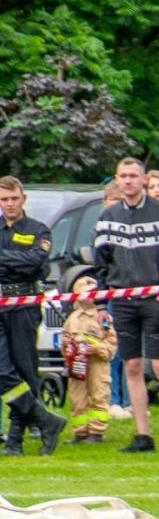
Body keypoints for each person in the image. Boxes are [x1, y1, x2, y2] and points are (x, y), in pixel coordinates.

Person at [92, 156, 159, 454]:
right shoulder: (108, 216)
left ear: (143, 179)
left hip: (153, 300)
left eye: (133, 176)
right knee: (132, 365)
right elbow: (100, 264)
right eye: (123, 176)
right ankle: (142, 435)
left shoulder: (158, 210)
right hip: (122, 300)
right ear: (117, 178)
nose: (128, 181)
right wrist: (101, 304)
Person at [0, 175, 67, 456]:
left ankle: (16, 438)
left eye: (14, 198)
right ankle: (46, 420)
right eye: (4, 199)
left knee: (25, 368)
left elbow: (35, 262)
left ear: (23, 199)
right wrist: (14, 260)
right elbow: (22, 261)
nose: (10, 204)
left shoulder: (39, 230)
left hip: (24, 304)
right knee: (3, 372)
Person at [58, 265, 117, 442]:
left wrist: (98, 349)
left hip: (97, 364)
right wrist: (68, 347)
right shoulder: (72, 318)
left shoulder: (102, 318)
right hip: (77, 366)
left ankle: (97, 431)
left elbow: (111, 343)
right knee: (77, 398)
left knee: (99, 395)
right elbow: (64, 339)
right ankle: (80, 431)